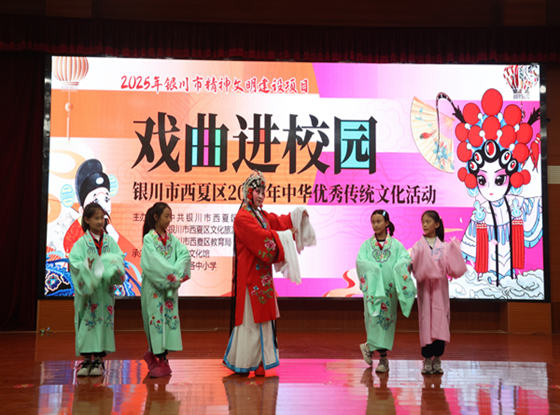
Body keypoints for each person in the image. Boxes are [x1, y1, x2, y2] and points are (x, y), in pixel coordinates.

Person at [223, 170, 311, 376]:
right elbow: (262, 239)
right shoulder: (242, 218)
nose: (262, 196)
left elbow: (278, 222)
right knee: (250, 322)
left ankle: (262, 361)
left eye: (264, 192)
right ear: (249, 192)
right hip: (249, 279)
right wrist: (286, 236)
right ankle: (245, 361)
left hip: (262, 278)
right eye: (258, 192)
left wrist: (297, 216)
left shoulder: (260, 215)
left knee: (264, 322)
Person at [68, 202, 125, 377]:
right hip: (88, 294)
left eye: (102, 218)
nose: (100, 221)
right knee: (87, 324)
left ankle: (99, 360)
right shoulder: (81, 244)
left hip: (104, 292)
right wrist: (90, 268)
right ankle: (86, 360)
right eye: (96, 218)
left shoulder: (110, 242)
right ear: (86, 220)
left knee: (103, 324)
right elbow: (74, 264)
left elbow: (119, 260)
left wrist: (113, 268)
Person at [356, 209, 416, 373]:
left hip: (389, 292)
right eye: (373, 222)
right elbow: (360, 263)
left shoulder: (396, 245)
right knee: (373, 321)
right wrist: (372, 269)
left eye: (379, 221)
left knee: (386, 323)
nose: (375, 225)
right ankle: (371, 348)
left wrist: (400, 266)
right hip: (373, 293)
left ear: (387, 223)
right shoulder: (366, 246)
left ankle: (382, 357)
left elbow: (405, 259)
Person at [409, 210, 466, 375]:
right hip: (425, 291)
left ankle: (438, 358)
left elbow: (454, 269)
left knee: (440, 322)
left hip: (440, 290)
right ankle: (427, 358)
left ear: (437, 224)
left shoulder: (445, 247)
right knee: (426, 322)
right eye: (423, 222)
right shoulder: (418, 246)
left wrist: (455, 251)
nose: (425, 225)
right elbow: (412, 265)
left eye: (428, 221)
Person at [140, 202, 191, 378]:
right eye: (166, 216)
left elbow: (184, 254)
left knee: (168, 320)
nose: (169, 220)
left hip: (169, 288)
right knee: (155, 320)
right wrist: (171, 273)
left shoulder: (173, 240)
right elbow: (152, 262)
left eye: (170, 216)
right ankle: (157, 356)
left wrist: (174, 274)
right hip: (153, 287)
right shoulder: (149, 239)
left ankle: (162, 358)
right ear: (156, 217)